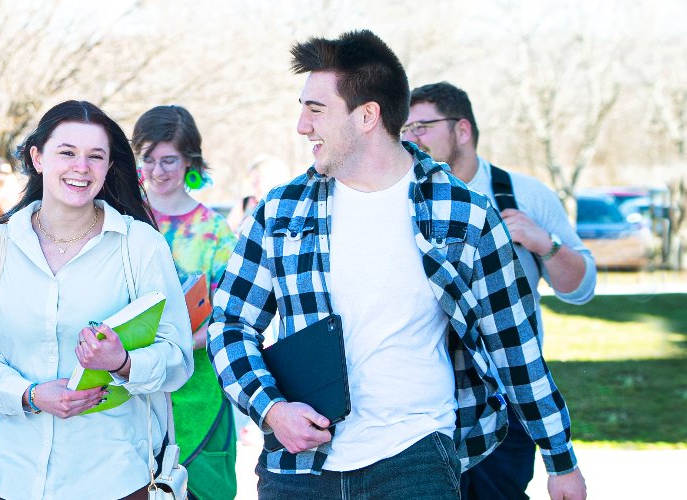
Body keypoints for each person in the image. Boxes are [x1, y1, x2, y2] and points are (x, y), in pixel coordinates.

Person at [208, 30, 588, 499]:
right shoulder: (281, 212)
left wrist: (560, 458)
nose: (302, 126)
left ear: (368, 115)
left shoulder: (463, 214)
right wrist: (271, 409)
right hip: (299, 468)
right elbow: (229, 325)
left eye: (316, 109)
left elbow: (514, 345)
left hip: (417, 458)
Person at [0, 100, 193, 499]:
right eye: (67, 152)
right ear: (38, 158)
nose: (81, 167)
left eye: (95, 156)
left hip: (112, 478)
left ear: (108, 167)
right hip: (9, 476)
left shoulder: (140, 245)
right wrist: (29, 395)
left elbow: (178, 359)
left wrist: (123, 362)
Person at [404, 81, 598, 499]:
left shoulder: (524, 194)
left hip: (508, 394)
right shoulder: (400, 199)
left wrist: (545, 244)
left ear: (462, 130)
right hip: (426, 395)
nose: (409, 137)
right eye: (404, 128)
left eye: (421, 126)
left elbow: (581, 289)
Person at [132, 104, 239, 500]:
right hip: (132, 393)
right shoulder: (124, 222)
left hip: (199, 394)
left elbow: (231, 318)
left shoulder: (215, 232)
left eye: (169, 160)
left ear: (190, 160)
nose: (158, 171)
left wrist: (180, 344)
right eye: (149, 159)